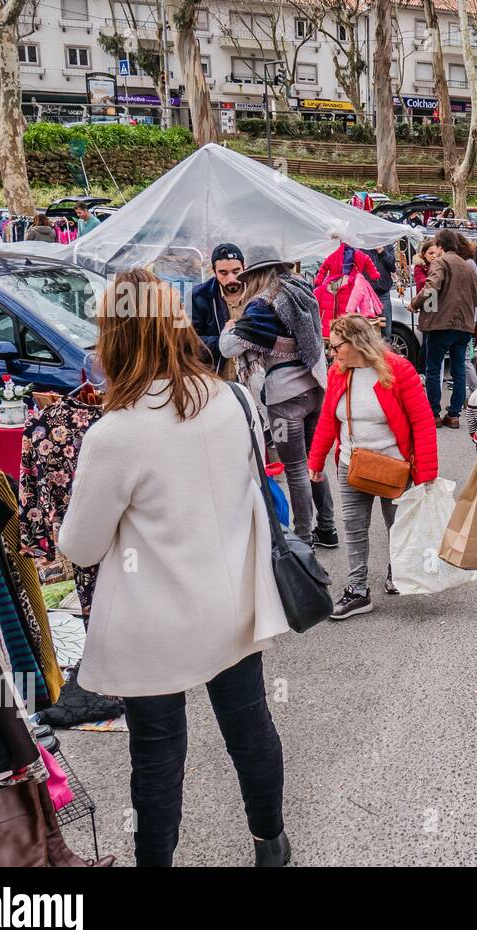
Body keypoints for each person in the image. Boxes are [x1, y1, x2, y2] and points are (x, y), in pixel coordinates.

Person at [58, 269, 291, 868]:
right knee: (250, 728)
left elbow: (81, 547)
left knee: (157, 754)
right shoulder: (233, 399)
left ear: (116, 337)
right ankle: (272, 841)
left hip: (155, 616)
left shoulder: (117, 432)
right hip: (233, 600)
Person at [308, 314, 438, 618]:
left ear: (356, 343)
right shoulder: (340, 372)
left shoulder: (398, 370)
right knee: (354, 529)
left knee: (398, 526)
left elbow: (422, 422)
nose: (331, 352)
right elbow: (328, 419)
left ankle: (398, 571)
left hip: (394, 466)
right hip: (351, 464)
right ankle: (357, 590)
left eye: (336, 345)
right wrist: (316, 461)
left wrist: (426, 474)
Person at [220, 248, 335, 548]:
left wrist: (230, 327)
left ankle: (303, 537)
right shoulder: (300, 290)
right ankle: (327, 527)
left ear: (256, 275)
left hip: (285, 399)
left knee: (295, 465)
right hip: (315, 388)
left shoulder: (263, 306)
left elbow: (228, 349)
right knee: (314, 461)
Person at [409, 228, 477, 427]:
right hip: (464, 326)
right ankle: (454, 414)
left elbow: (431, 288)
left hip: (441, 325)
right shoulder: (467, 266)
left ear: (440, 245)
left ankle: (434, 413)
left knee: (433, 369)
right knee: (458, 370)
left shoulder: (440, 262)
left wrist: (416, 304)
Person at [191, 242, 246, 375]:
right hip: (217, 379)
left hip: (256, 380)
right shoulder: (199, 296)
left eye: (236, 271)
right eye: (223, 273)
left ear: (244, 267)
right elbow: (190, 340)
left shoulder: (258, 293)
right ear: (213, 271)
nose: (231, 278)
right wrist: (226, 340)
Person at [313, 241, 382, 333]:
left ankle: (331, 334)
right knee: (346, 315)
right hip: (350, 288)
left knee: (330, 313)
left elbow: (323, 268)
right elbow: (370, 266)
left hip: (333, 285)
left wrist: (318, 281)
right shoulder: (360, 255)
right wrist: (374, 274)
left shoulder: (332, 254)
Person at [364, 243, 398, 336]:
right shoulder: (361, 243)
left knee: (386, 331)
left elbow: (392, 266)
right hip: (366, 293)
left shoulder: (387, 243)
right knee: (366, 330)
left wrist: (381, 251)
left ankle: (386, 348)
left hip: (383, 292)